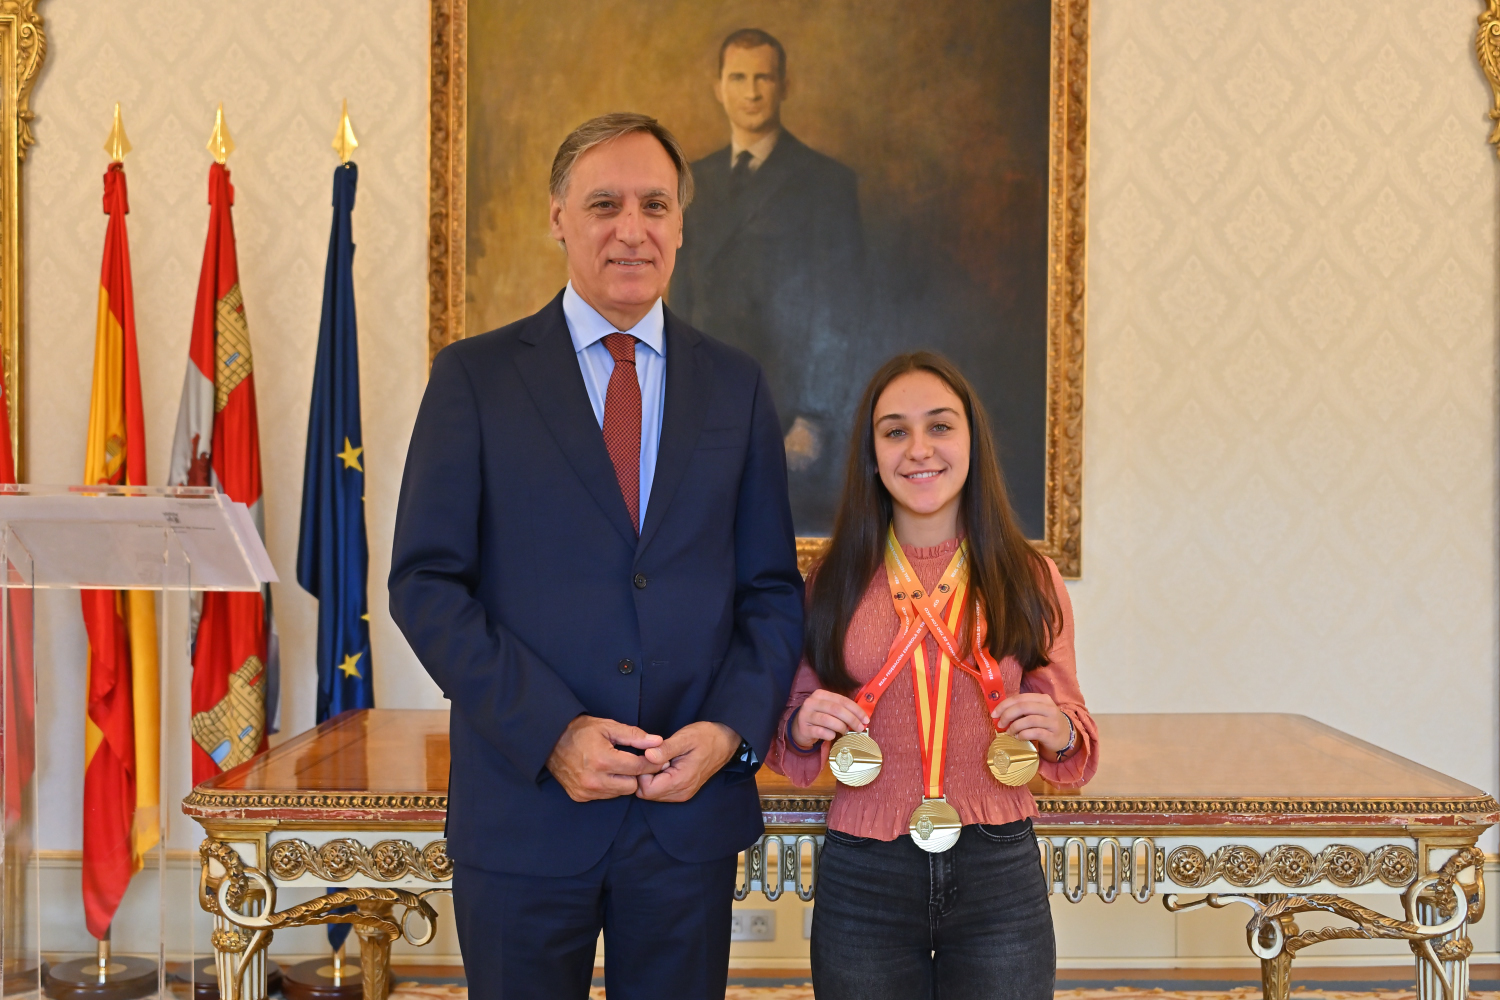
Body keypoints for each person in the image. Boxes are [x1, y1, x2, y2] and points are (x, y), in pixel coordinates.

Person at [389, 112, 804, 1000]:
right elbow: (426, 584)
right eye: (604, 202)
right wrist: (554, 734)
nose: (631, 227)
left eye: (655, 204)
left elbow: (771, 591)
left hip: (684, 816)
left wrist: (732, 731)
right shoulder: (476, 378)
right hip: (526, 811)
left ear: (681, 225)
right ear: (558, 218)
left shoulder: (736, 385)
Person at [767, 352, 1097, 1000]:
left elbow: (1071, 735)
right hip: (864, 871)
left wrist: (1057, 729)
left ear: (972, 440)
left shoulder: (1030, 578)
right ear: (873, 452)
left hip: (998, 863)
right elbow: (795, 723)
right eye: (895, 431)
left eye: (940, 426)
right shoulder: (830, 580)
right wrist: (803, 723)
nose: (919, 449)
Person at [671, 27, 864, 534]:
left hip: (788, 415)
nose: (751, 92)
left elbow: (839, 316)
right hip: (704, 408)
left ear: (784, 86)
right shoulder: (690, 183)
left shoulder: (827, 183)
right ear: (718, 88)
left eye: (764, 78)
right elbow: (681, 304)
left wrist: (814, 419)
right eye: (738, 78)